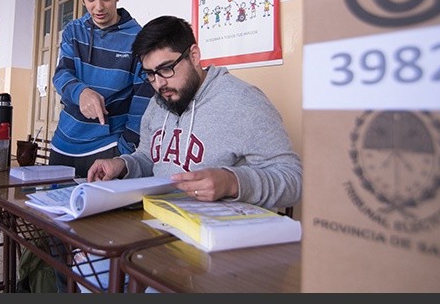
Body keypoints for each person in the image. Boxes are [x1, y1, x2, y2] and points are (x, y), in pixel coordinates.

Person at [88, 15, 302, 210]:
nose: (159, 83)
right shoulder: (159, 101)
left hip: (220, 238)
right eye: (150, 74)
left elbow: (295, 180)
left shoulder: (244, 102)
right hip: (158, 223)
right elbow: (148, 158)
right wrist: (123, 165)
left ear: (194, 55)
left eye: (166, 68)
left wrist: (232, 183)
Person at [49, 0, 154, 178]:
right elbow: (61, 75)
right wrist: (81, 92)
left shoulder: (139, 38)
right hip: (63, 144)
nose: (98, 7)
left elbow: (143, 101)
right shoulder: (73, 31)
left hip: (107, 149)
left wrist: (124, 151)